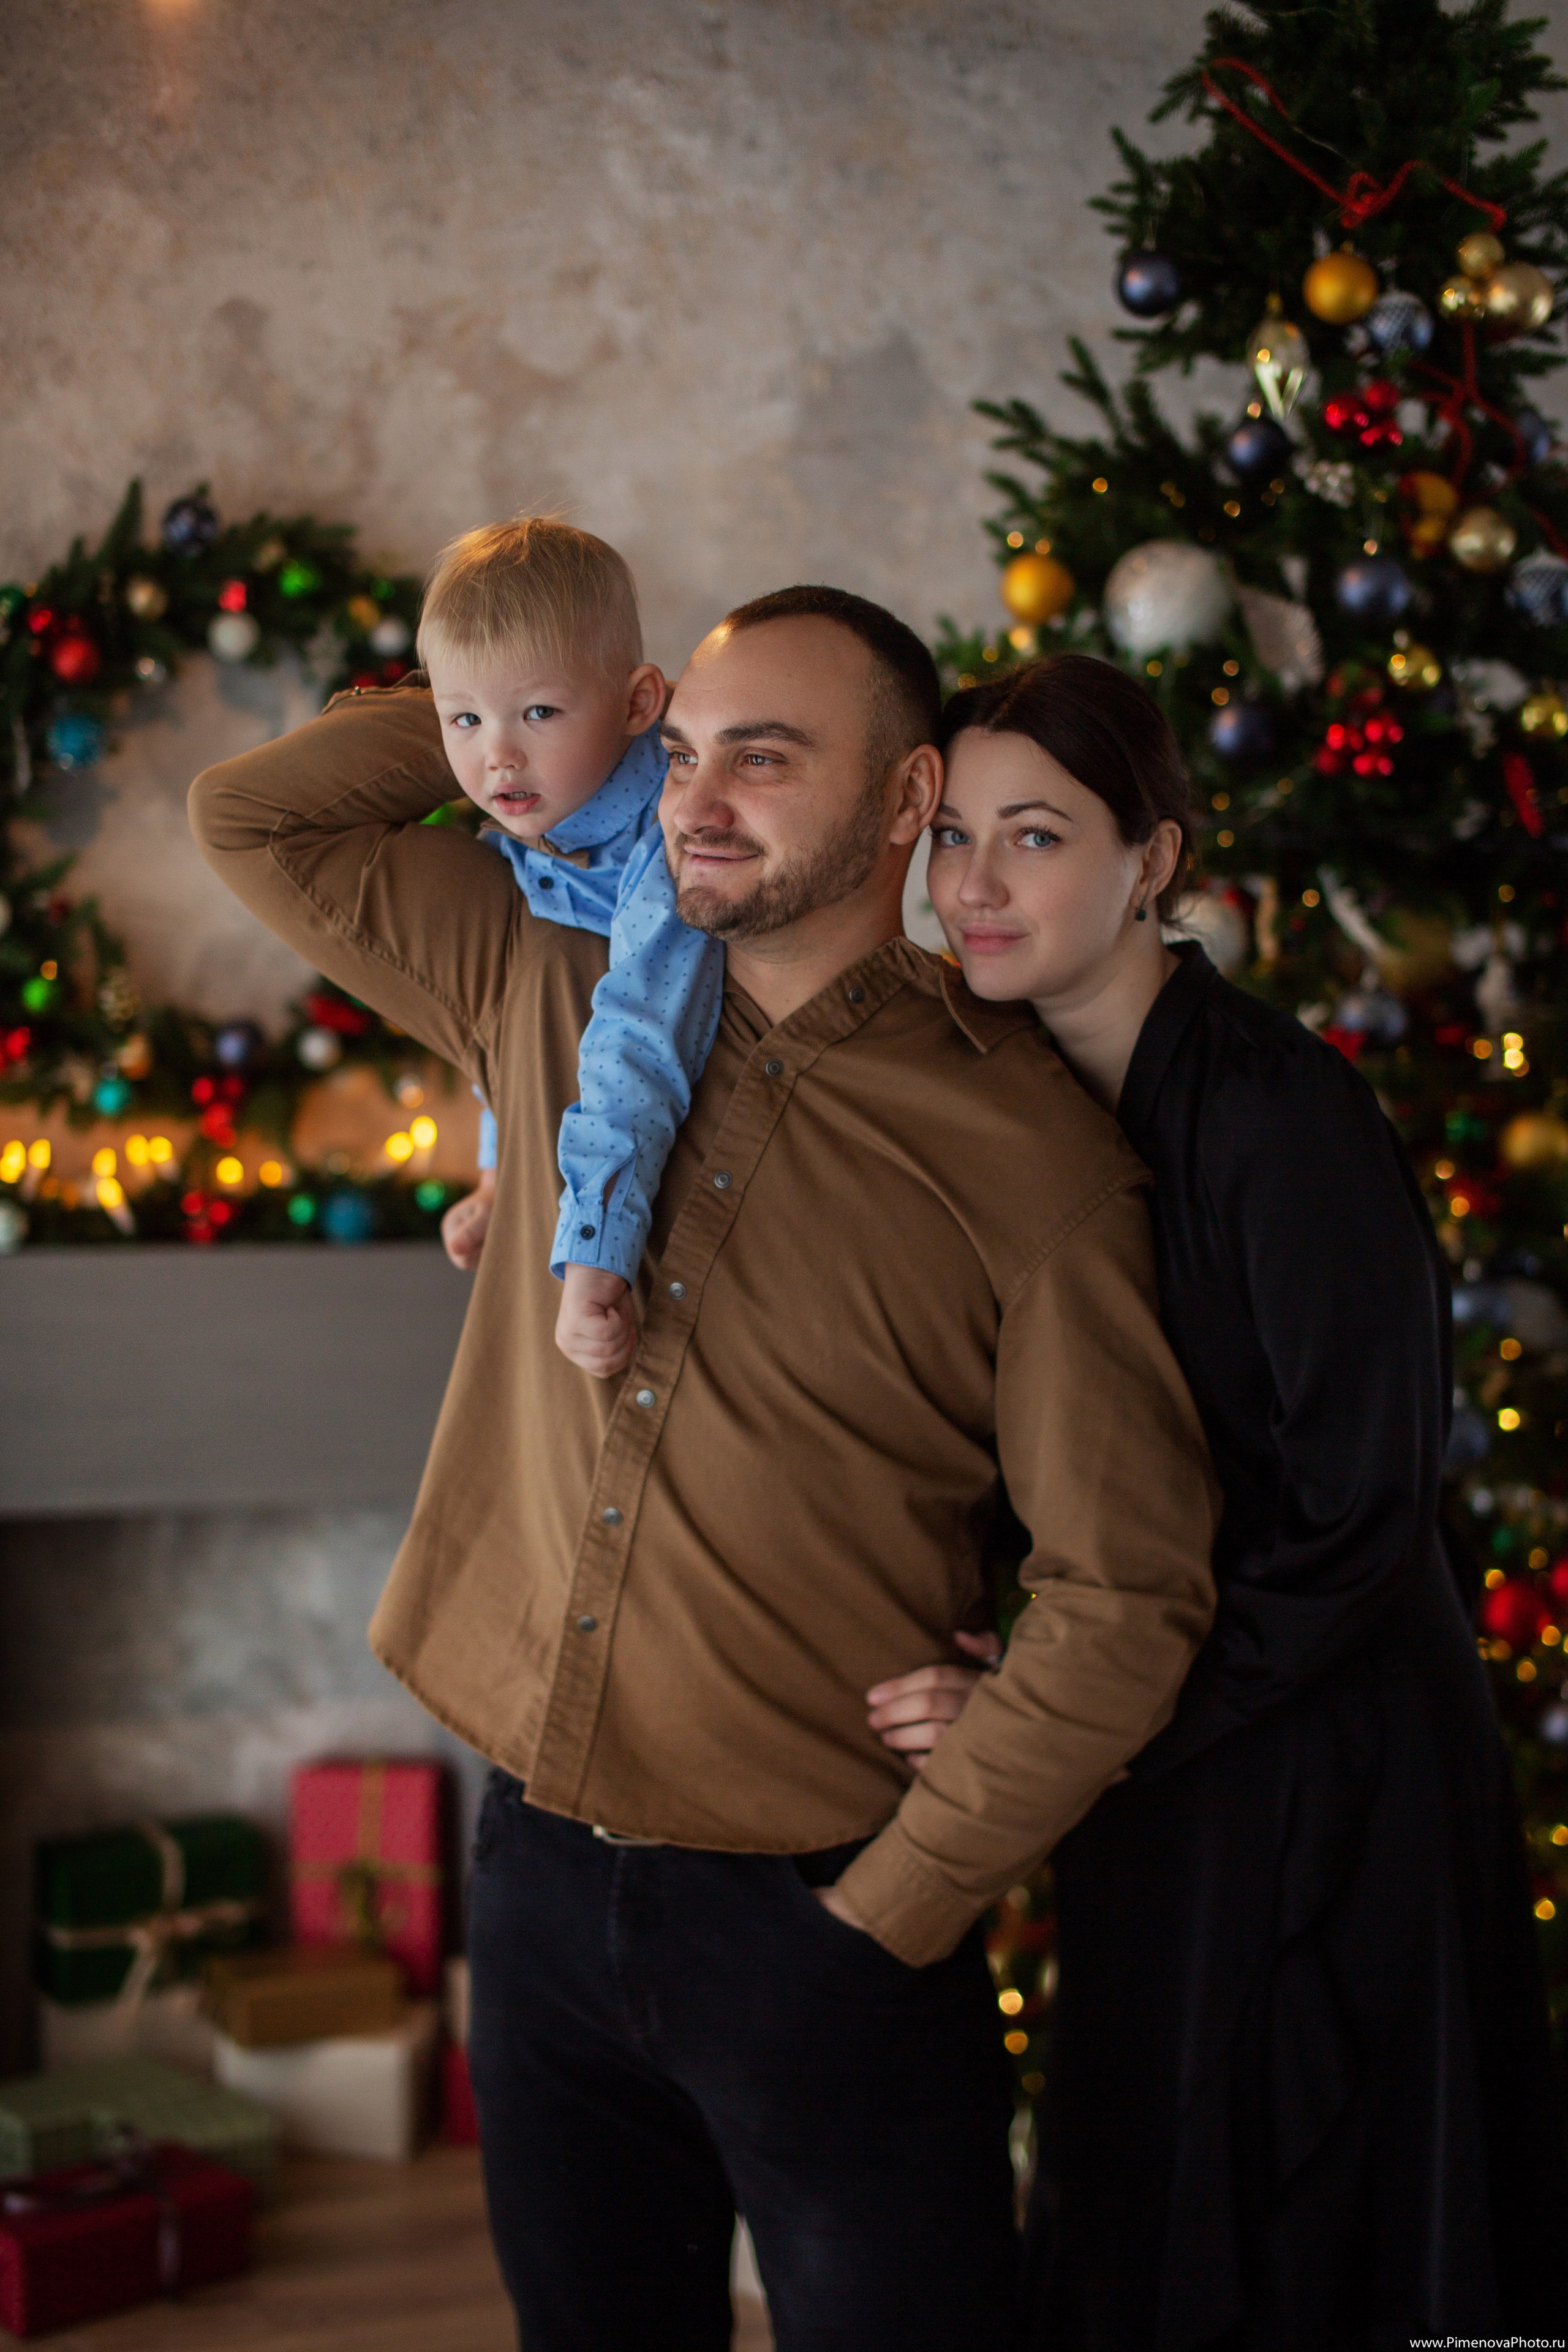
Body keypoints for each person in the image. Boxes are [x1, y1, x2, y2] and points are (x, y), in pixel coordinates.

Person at [190, 587, 1218, 2352]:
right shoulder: (538, 969)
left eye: (767, 757)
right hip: (534, 1886)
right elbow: (255, 818)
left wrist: (896, 1907)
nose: (697, 800)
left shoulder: (1032, 1155)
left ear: (905, 799)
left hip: (827, 1929)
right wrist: (541, 707)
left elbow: (1128, 1588)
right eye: (679, 753)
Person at [867, 650, 1567, 2347]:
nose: (975, 884)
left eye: (1035, 836)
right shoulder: (1009, 1098)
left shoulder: (1281, 1111)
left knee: (1318, 2215)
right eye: (953, 835)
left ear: (1155, 860)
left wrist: (1069, 1715)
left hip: (1327, 1753)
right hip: (1158, 1744)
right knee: (1151, 2181)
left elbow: (1357, 1513)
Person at [413, 511, 725, 1370]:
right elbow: (512, 1045)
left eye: (539, 711)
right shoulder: (527, 822)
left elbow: (640, 1040)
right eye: (462, 720)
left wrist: (595, 1256)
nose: (498, 757)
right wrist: (497, 1176)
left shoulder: (672, 836)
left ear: (638, 704)